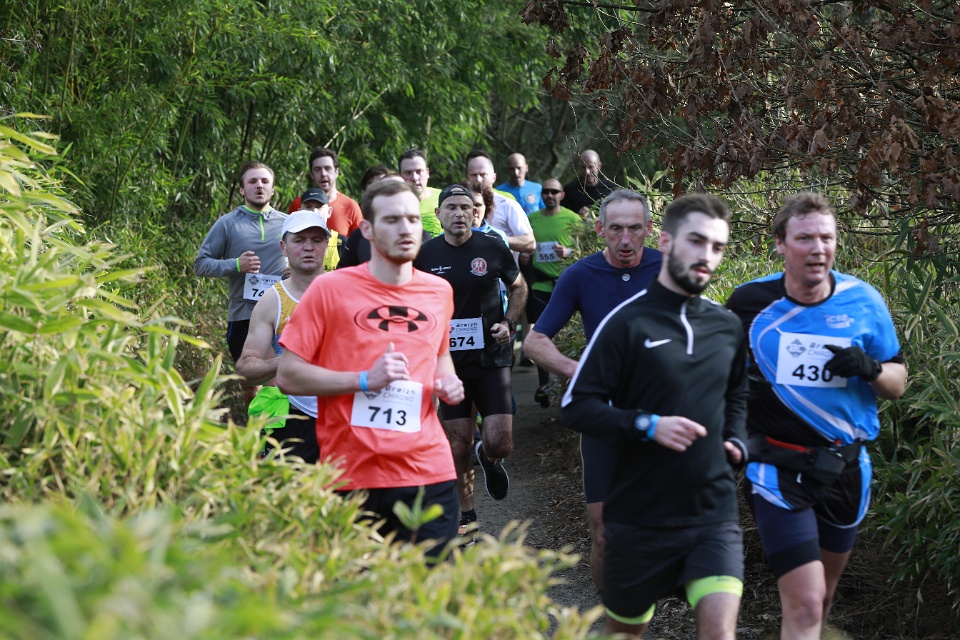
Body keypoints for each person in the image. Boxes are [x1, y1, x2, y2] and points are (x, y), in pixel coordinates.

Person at [561, 193, 748, 639]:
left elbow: (738, 395)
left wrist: (737, 441)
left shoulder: (726, 325)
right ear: (664, 241)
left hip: (712, 514)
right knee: (626, 632)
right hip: (639, 518)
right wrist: (646, 425)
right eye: (696, 241)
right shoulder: (626, 323)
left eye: (717, 247)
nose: (706, 256)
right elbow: (576, 406)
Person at [725, 192, 907, 639]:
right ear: (780, 243)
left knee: (821, 600)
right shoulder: (750, 303)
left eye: (826, 238)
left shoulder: (863, 300)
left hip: (845, 468)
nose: (818, 248)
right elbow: (717, 375)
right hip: (777, 467)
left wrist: (870, 369)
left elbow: (898, 384)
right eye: (805, 238)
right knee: (805, 603)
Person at [275, 179, 464, 558]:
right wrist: (364, 380)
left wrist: (447, 379)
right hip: (353, 473)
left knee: (432, 587)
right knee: (362, 590)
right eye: (392, 220)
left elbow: (440, 353)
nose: (406, 228)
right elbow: (288, 375)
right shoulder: (329, 290)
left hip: (428, 467)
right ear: (367, 229)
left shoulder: (438, 291)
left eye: (412, 219)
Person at [523, 188, 661, 591]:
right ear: (599, 229)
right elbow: (534, 341)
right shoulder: (580, 275)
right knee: (603, 526)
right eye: (616, 229)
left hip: (662, 411)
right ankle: (611, 614)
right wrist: (577, 371)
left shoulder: (669, 270)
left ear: (649, 228)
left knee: (661, 525)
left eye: (634, 228)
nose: (625, 239)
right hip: (604, 414)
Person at [414, 184, 528, 545]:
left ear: (474, 212)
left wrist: (508, 322)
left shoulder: (492, 247)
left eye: (466, 207)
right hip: (449, 364)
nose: (460, 213)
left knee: (500, 442)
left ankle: (489, 458)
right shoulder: (425, 254)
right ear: (439, 214)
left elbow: (520, 286)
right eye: (451, 207)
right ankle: (468, 518)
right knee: (458, 444)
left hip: (492, 358)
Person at [236, 210, 332, 463]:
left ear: (327, 244)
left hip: (344, 416)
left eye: (316, 240)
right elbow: (245, 368)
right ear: (283, 246)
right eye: (299, 240)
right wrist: (285, 361)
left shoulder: (347, 292)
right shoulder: (272, 301)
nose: (308, 247)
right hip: (295, 418)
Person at [194, 161, 288, 407]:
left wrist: (294, 269)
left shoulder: (288, 223)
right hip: (244, 315)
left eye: (265, 181)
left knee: (276, 381)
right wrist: (236, 264)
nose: (259, 186)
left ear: (273, 189)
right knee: (252, 386)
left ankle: (272, 430)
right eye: (252, 181)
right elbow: (201, 264)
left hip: (281, 313)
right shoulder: (228, 223)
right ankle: (255, 428)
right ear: (241, 189)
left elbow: (309, 258)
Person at [520, 177, 581, 404]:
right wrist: (524, 255)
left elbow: (586, 248)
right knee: (541, 334)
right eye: (545, 191)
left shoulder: (572, 218)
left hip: (566, 286)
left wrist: (569, 252)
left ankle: (567, 385)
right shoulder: (532, 219)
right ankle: (544, 385)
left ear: (561, 195)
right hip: (540, 285)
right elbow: (526, 245)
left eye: (554, 191)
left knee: (565, 335)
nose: (549, 195)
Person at [465, 150, 536, 255]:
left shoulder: (507, 205)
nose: (478, 179)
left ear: (493, 177)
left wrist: (496, 239)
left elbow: (530, 243)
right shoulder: (459, 205)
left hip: (501, 264)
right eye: (474, 175)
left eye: (483, 174)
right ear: (468, 177)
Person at [287, 147, 362, 239]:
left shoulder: (350, 206)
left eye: (327, 168)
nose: (323, 174)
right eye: (317, 169)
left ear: (337, 172)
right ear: (312, 175)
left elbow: (360, 242)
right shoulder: (298, 204)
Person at [398, 148, 442, 237]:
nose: (414, 178)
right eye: (408, 173)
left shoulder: (443, 198)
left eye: (419, 172)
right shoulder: (393, 203)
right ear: (400, 176)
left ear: (427, 173)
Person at [563, 150, 618, 217]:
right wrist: (577, 216)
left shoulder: (611, 189)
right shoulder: (570, 190)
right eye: (583, 167)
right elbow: (560, 214)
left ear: (599, 166)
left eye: (590, 167)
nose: (587, 172)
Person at [297, 188, 340, 271]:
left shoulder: (342, 243)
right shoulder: (290, 240)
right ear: (299, 212)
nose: (314, 211)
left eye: (319, 207)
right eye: (308, 207)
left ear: (329, 212)